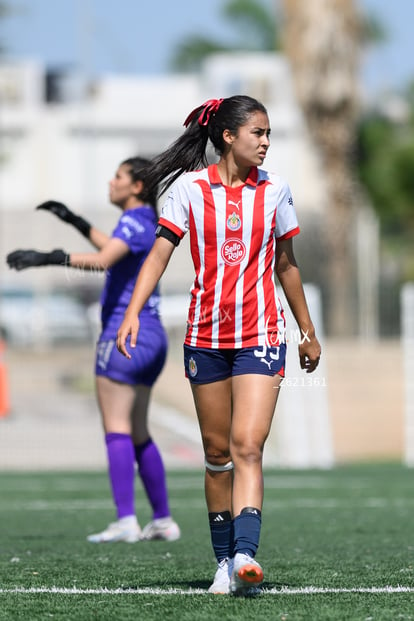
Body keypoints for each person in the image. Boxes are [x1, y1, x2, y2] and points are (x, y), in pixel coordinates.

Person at [115, 96, 321, 596]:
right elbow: (159, 256)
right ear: (228, 136)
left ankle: (247, 555)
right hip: (205, 336)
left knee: (249, 445)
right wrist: (133, 313)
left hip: (261, 333)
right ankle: (224, 562)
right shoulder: (188, 190)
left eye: (269, 133)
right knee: (217, 453)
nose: (266, 142)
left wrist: (306, 331)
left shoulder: (276, 191)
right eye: (258, 132)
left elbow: (287, 265)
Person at [6, 156, 181, 544]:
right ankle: (164, 520)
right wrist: (75, 221)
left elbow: (104, 260)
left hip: (124, 335)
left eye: (117, 176)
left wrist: (50, 257)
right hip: (153, 339)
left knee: (116, 430)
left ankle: (125, 521)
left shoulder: (134, 220)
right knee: (138, 431)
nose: (110, 182)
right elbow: (113, 247)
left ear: (136, 186)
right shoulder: (145, 222)